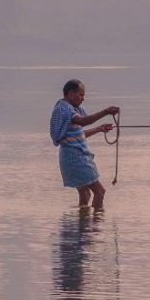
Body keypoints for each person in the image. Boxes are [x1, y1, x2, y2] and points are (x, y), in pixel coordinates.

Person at [50, 79, 119, 209]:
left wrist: (99, 129)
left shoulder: (69, 108)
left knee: (85, 193)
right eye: (81, 95)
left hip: (71, 157)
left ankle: (82, 226)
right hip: (76, 158)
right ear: (70, 94)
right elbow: (82, 121)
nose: (82, 99)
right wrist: (105, 112)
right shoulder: (64, 109)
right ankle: (96, 225)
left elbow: (79, 134)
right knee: (99, 191)